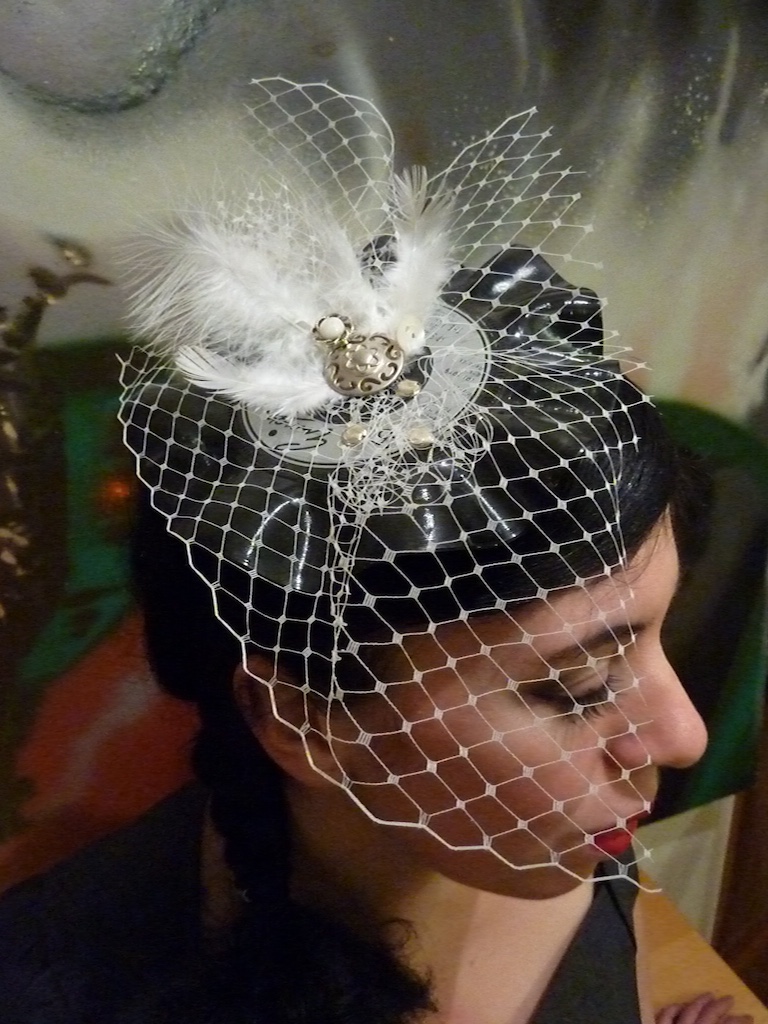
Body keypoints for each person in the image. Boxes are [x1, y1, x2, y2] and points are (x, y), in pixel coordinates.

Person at [0, 80, 754, 1024]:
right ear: (308, 722)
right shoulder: (53, 990)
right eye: (577, 688)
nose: (682, 736)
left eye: (653, 639)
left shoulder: (561, 835)